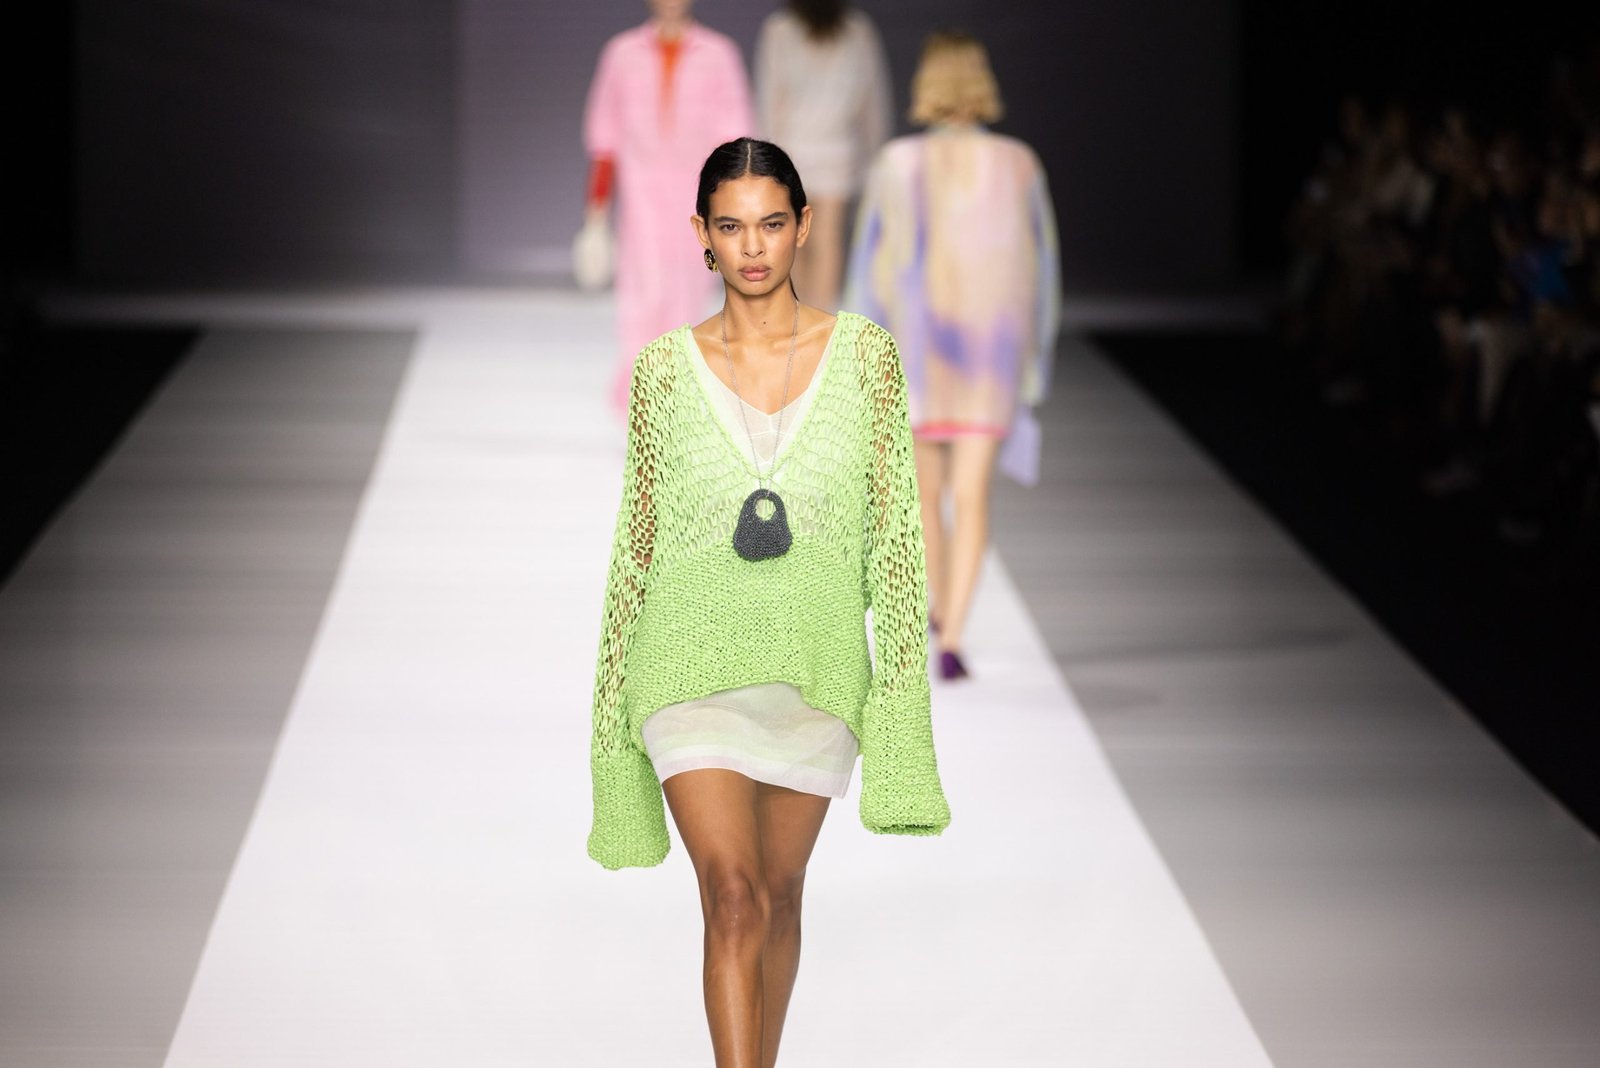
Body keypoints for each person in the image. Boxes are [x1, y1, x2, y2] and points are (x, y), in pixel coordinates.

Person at [588, 137, 951, 1068]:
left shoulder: (866, 360)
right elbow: (638, 549)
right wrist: (611, 716)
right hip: (686, 668)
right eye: (731, 226)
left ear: (804, 226)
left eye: (772, 224)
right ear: (702, 235)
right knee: (734, 897)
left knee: (781, 898)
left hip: (814, 673)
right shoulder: (663, 371)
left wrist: (899, 703)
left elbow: (896, 543)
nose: (753, 247)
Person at [844, 31, 1061, 681]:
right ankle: (954, 634)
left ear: (926, 85)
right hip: (993, 357)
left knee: (924, 498)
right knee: (972, 496)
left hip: (917, 356)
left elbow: (867, 271)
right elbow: (1044, 271)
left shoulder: (896, 163)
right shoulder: (1019, 163)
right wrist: (1036, 362)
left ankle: (939, 611)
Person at [582, 0, 754, 414]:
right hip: (639, 202)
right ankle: (643, 405)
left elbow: (736, 138)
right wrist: (596, 214)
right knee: (640, 302)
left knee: (688, 301)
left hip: (699, 201)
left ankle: (677, 407)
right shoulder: (621, 54)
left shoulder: (718, 55)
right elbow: (604, 140)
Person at [754, 0, 892, 311]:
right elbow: (871, 103)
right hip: (835, 153)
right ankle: (818, 325)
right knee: (824, 241)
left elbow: (771, 101)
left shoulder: (781, 30)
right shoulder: (856, 30)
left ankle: (800, 325)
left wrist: (765, 161)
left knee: (792, 241)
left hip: (793, 152)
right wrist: (874, 157)